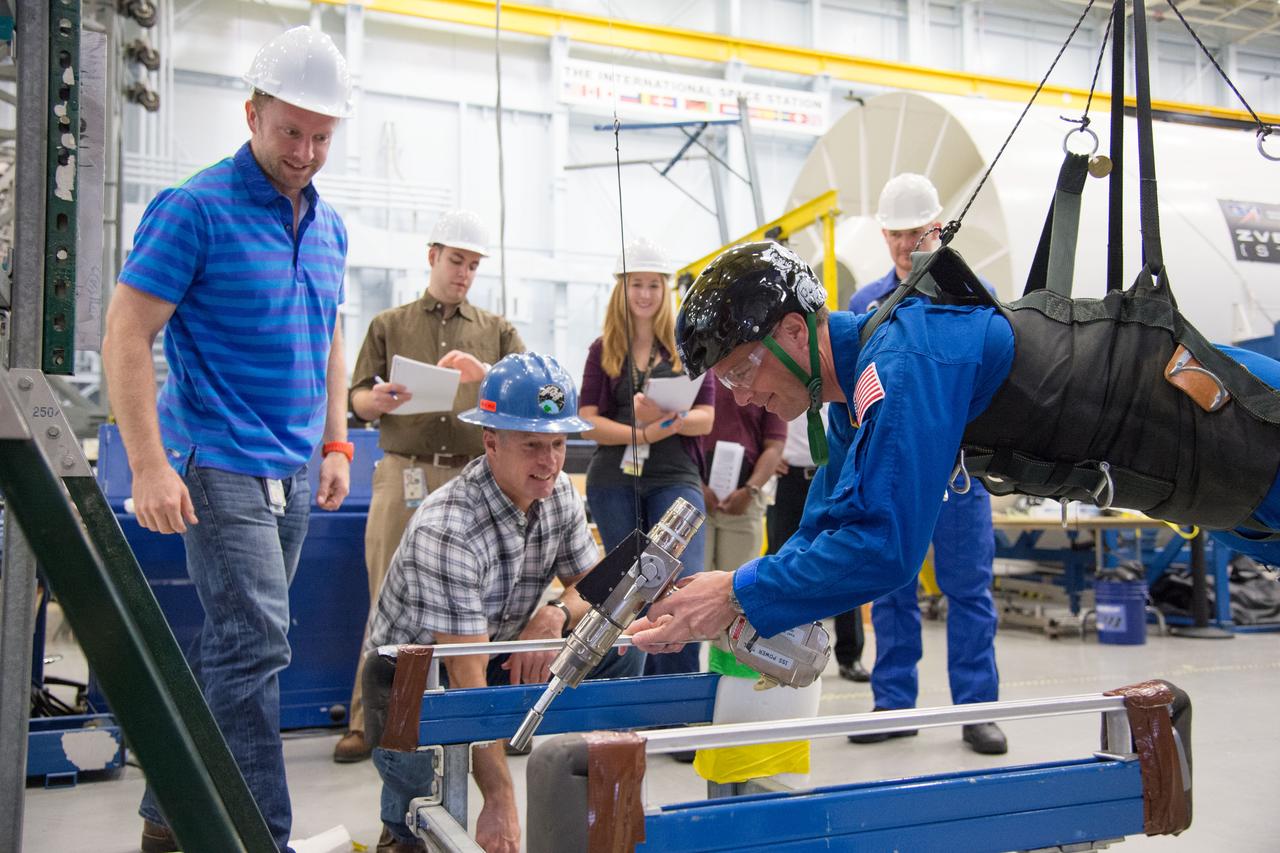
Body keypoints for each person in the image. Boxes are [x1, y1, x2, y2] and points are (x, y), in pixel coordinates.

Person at [630, 239, 1280, 705]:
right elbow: (827, 525)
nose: (741, 397)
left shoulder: (902, 362)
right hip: (1197, 472)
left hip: (1230, 418)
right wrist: (741, 606)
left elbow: (884, 549)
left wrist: (737, 592)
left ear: (796, 332)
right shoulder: (855, 391)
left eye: (744, 370)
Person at [102, 26, 353, 853]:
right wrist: (147, 463)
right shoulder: (195, 208)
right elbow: (126, 332)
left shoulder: (329, 227)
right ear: (251, 113)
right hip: (216, 463)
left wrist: (336, 443)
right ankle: (256, 839)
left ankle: (167, 821)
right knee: (255, 649)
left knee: (236, 656)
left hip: (291, 470)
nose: (306, 151)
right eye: (290, 131)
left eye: (321, 136)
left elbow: (327, 335)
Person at [366, 353, 643, 853]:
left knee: (621, 645)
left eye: (559, 444)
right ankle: (400, 826)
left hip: (493, 652)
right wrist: (501, 800)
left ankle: (591, 787)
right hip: (413, 683)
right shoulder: (448, 528)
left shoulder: (555, 492)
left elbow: (595, 587)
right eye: (534, 445)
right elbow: (464, 678)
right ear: (490, 442)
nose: (551, 461)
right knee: (419, 784)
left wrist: (556, 615)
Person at [336, 209, 524, 763]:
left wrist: (484, 373)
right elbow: (356, 399)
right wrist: (380, 398)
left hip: (473, 478)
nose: (464, 272)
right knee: (386, 598)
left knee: (479, 606)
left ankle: (475, 722)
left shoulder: (497, 331)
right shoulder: (389, 324)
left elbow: (530, 389)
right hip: (404, 469)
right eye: (455, 260)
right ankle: (368, 720)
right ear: (432, 256)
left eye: (472, 264)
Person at [845, 174, 1004, 754]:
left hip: (960, 473)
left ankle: (978, 709)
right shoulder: (866, 305)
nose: (908, 246)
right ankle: (892, 704)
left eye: (918, 233)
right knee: (891, 589)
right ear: (884, 235)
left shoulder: (975, 294)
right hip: (893, 477)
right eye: (897, 236)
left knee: (969, 590)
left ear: (938, 228)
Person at [579, 237, 715, 677]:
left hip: (676, 473)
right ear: (622, 289)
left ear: (666, 291)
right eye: (636, 284)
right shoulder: (603, 350)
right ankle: (625, 689)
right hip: (614, 480)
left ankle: (675, 696)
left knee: (680, 582)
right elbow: (587, 419)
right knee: (624, 591)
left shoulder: (686, 349)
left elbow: (707, 418)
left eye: (653, 285)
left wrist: (667, 420)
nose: (644, 294)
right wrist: (640, 431)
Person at [768, 408, 870, 681]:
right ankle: (784, 650)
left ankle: (850, 656)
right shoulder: (781, 381)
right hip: (790, 478)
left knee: (844, 561)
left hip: (833, 475)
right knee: (783, 561)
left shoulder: (831, 384)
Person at [701, 381, 786, 573]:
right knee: (691, 580)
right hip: (697, 497)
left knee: (736, 584)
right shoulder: (701, 375)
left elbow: (775, 445)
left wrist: (750, 490)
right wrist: (696, 486)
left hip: (745, 500)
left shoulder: (765, 378)